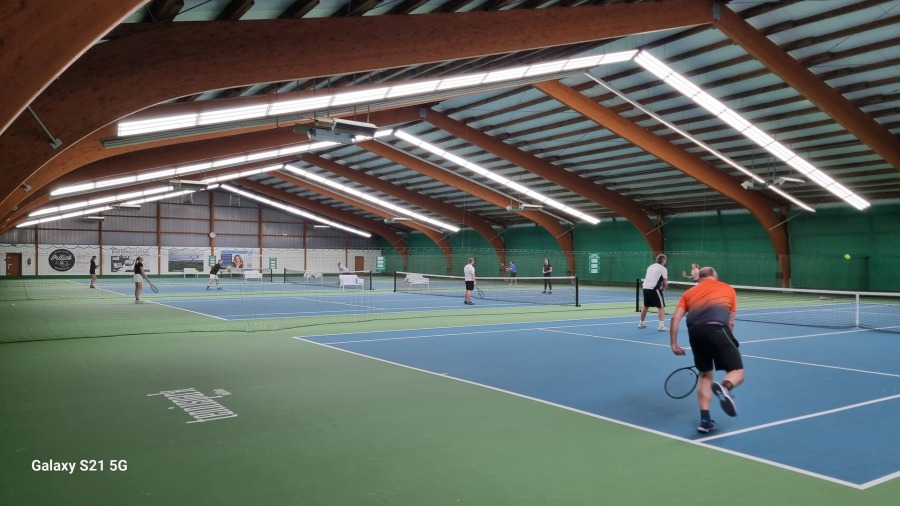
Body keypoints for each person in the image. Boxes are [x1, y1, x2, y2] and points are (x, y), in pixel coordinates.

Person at [669, 267, 744, 433]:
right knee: (737, 372)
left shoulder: (689, 293)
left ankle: (705, 421)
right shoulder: (728, 289)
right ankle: (725, 388)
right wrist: (727, 342)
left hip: (695, 334)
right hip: (718, 329)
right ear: (715, 276)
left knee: (705, 376)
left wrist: (674, 344)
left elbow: (675, 318)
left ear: (699, 278)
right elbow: (730, 323)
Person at [639, 254, 669, 331]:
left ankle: (641, 323)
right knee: (661, 307)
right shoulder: (663, 269)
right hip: (654, 288)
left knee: (646, 306)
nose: (665, 261)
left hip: (645, 287)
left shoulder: (650, 267)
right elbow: (665, 282)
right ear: (663, 260)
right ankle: (661, 326)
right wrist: (663, 288)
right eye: (665, 260)